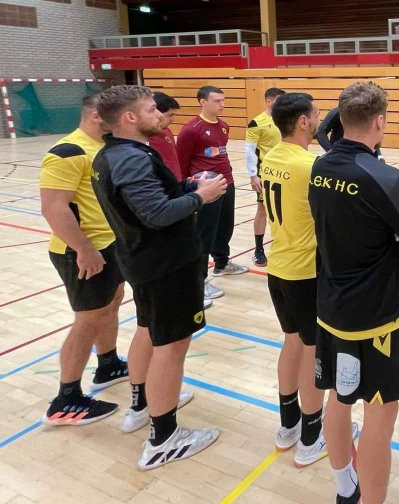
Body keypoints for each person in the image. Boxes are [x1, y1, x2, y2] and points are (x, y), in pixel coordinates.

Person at [92, 85, 226, 470]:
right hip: (166, 267)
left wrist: (187, 187)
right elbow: (155, 214)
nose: (160, 114)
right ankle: (163, 438)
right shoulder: (130, 158)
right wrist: (201, 197)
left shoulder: (116, 153)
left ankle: (142, 405)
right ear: (130, 117)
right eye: (152, 109)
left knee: (148, 332)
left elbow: (148, 201)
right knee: (172, 347)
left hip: (145, 262)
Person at [310, 82, 399, 504]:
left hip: (330, 306)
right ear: (380, 122)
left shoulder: (319, 168)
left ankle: (346, 489)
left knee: (339, 399)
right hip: (376, 316)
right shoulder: (388, 179)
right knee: (380, 418)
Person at [259, 92, 356, 467]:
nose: (319, 120)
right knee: (314, 352)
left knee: (292, 343)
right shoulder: (310, 166)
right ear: (303, 121)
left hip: (278, 268)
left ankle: (289, 426)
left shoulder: (271, 158)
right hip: (305, 272)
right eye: (315, 115)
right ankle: (312, 437)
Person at [39, 93, 128, 426]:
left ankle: (108, 364)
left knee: (111, 303)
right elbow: (53, 208)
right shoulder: (68, 152)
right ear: (96, 116)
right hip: (82, 251)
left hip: (109, 245)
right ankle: (66, 399)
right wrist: (84, 249)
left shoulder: (102, 148)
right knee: (87, 321)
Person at [177, 85, 247, 301]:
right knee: (204, 233)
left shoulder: (224, 126)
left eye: (223, 100)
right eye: (217, 101)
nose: (222, 105)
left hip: (227, 182)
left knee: (225, 227)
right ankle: (199, 280)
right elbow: (182, 162)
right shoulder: (191, 129)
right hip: (207, 187)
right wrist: (188, 189)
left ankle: (222, 263)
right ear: (202, 102)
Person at [246, 87, 285, 267]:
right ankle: (259, 249)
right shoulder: (257, 122)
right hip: (266, 173)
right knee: (262, 209)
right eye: (278, 101)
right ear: (269, 101)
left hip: (286, 171)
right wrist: (253, 175)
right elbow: (249, 151)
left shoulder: (286, 120)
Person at [151, 92, 182, 180]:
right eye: (170, 115)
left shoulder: (167, 132)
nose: (173, 119)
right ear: (156, 113)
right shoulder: (143, 138)